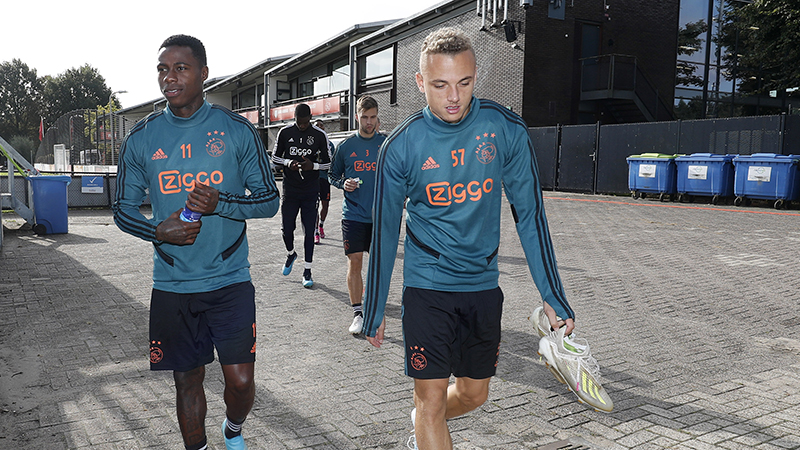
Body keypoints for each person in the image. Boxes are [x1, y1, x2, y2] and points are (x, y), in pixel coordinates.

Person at [361, 27, 587, 450]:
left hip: (482, 286)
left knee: (473, 395)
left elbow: (530, 216)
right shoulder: (402, 145)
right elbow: (386, 230)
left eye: (464, 83)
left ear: (476, 76)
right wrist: (374, 306)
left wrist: (552, 295)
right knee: (430, 402)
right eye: (440, 84)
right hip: (427, 288)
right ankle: (426, 421)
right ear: (419, 82)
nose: (454, 97)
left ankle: (423, 424)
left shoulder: (504, 129)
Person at [113, 34, 280, 450]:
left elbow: (269, 200)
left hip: (229, 279)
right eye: (162, 69)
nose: (169, 78)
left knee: (240, 381)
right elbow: (122, 210)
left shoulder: (236, 130)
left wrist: (221, 203)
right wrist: (157, 231)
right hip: (173, 284)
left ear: (203, 73)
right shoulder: (142, 137)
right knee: (187, 380)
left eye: (180, 68)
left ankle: (233, 428)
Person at [328, 95, 385, 334]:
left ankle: (376, 310)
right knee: (355, 261)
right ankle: (357, 314)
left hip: (381, 216)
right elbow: (332, 175)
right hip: (353, 215)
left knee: (379, 266)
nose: (369, 122)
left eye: (373, 117)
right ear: (356, 117)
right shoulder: (346, 146)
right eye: (364, 117)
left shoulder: (386, 144)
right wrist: (343, 183)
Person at [271, 104, 331, 287]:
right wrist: (288, 163)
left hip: (310, 190)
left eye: (305, 122)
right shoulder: (285, 132)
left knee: (309, 232)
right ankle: (291, 254)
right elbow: (274, 158)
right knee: (287, 229)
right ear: (294, 118)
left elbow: (329, 163)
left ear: (310, 118)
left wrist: (312, 166)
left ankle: (307, 271)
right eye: (299, 122)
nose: (302, 126)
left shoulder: (319, 135)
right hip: (290, 189)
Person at [313, 119, 335, 245]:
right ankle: (316, 232)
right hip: (314, 179)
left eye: (322, 125)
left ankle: (321, 225)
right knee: (315, 205)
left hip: (325, 179)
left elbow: (334, 162)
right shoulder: (311, 143)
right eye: (317, 125)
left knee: (325, 205)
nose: (320, 127)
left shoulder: (330, 144)